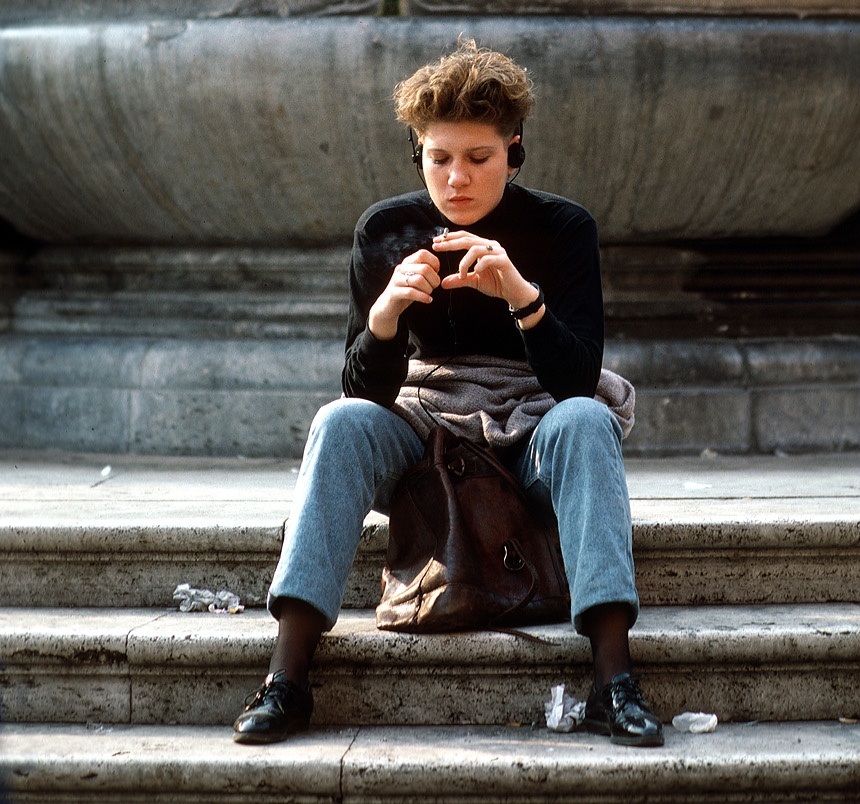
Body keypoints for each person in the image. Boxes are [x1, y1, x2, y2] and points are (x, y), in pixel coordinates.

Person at [233, 38, 663, 748]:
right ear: (418, 153)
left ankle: (613, 682)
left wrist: (522, 295)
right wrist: (386, 316)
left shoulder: (562, 228)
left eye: (479, 158)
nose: (457, 179)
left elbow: (576, 379)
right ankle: (287, 678)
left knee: (587, 420)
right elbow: (364, 389)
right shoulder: (387, 228)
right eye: (440, 158)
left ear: (514, 150)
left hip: (533, 422)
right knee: (339, 423)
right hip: (424, 419)